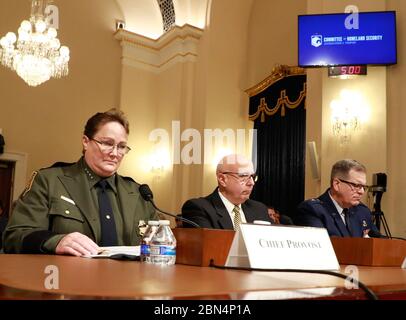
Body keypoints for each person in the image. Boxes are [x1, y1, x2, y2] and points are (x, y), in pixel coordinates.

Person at [3, 108, 156, 256]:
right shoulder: (50, 181)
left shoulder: (138, 193)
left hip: (127, 281)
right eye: (107, 143)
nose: (115, 153)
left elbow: (161, 245)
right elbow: (14, 236)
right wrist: (56, 241)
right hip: (66, 279)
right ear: (85, 141)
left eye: (122, 146)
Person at [181, 154, 272, 229]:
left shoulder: (259, 209)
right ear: (222, 179)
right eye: (243, 176)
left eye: (252, 177)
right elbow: (210, 245)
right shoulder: (199, 208)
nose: (251, 183)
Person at [294, 159, 380, 237]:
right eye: (356, 185)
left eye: (363, 187)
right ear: (336, 184)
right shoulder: (312, 210)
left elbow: (378, 242)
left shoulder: (362, 212)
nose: (361, 191)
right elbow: (321, 249)